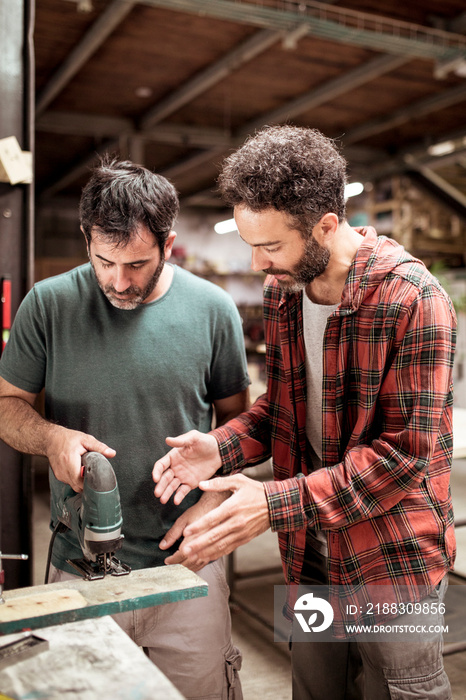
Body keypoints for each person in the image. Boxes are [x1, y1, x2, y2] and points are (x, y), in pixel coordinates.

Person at [152, 125, 457, 699]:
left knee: (403, 688)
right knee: (316, 690)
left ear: (325, 225)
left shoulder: (412, 298)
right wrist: (219, 447)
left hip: (391, 559)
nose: (258, 263)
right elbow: (285, 406)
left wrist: (271, 503)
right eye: (251, 244)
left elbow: (403, 458)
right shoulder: (284, 290)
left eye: (270, 246)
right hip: (310, 551)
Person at [0, 156, 250, 700]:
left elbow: (241, 425)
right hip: (78, 564)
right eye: (104, 260)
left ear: (169, 242)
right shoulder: (48, 304)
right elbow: (7, 405)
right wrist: (51, 437)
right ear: (87, 237)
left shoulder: (213, 309)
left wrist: (214, 502)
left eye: (137, 263)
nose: (119, 281)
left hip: (190, 565)